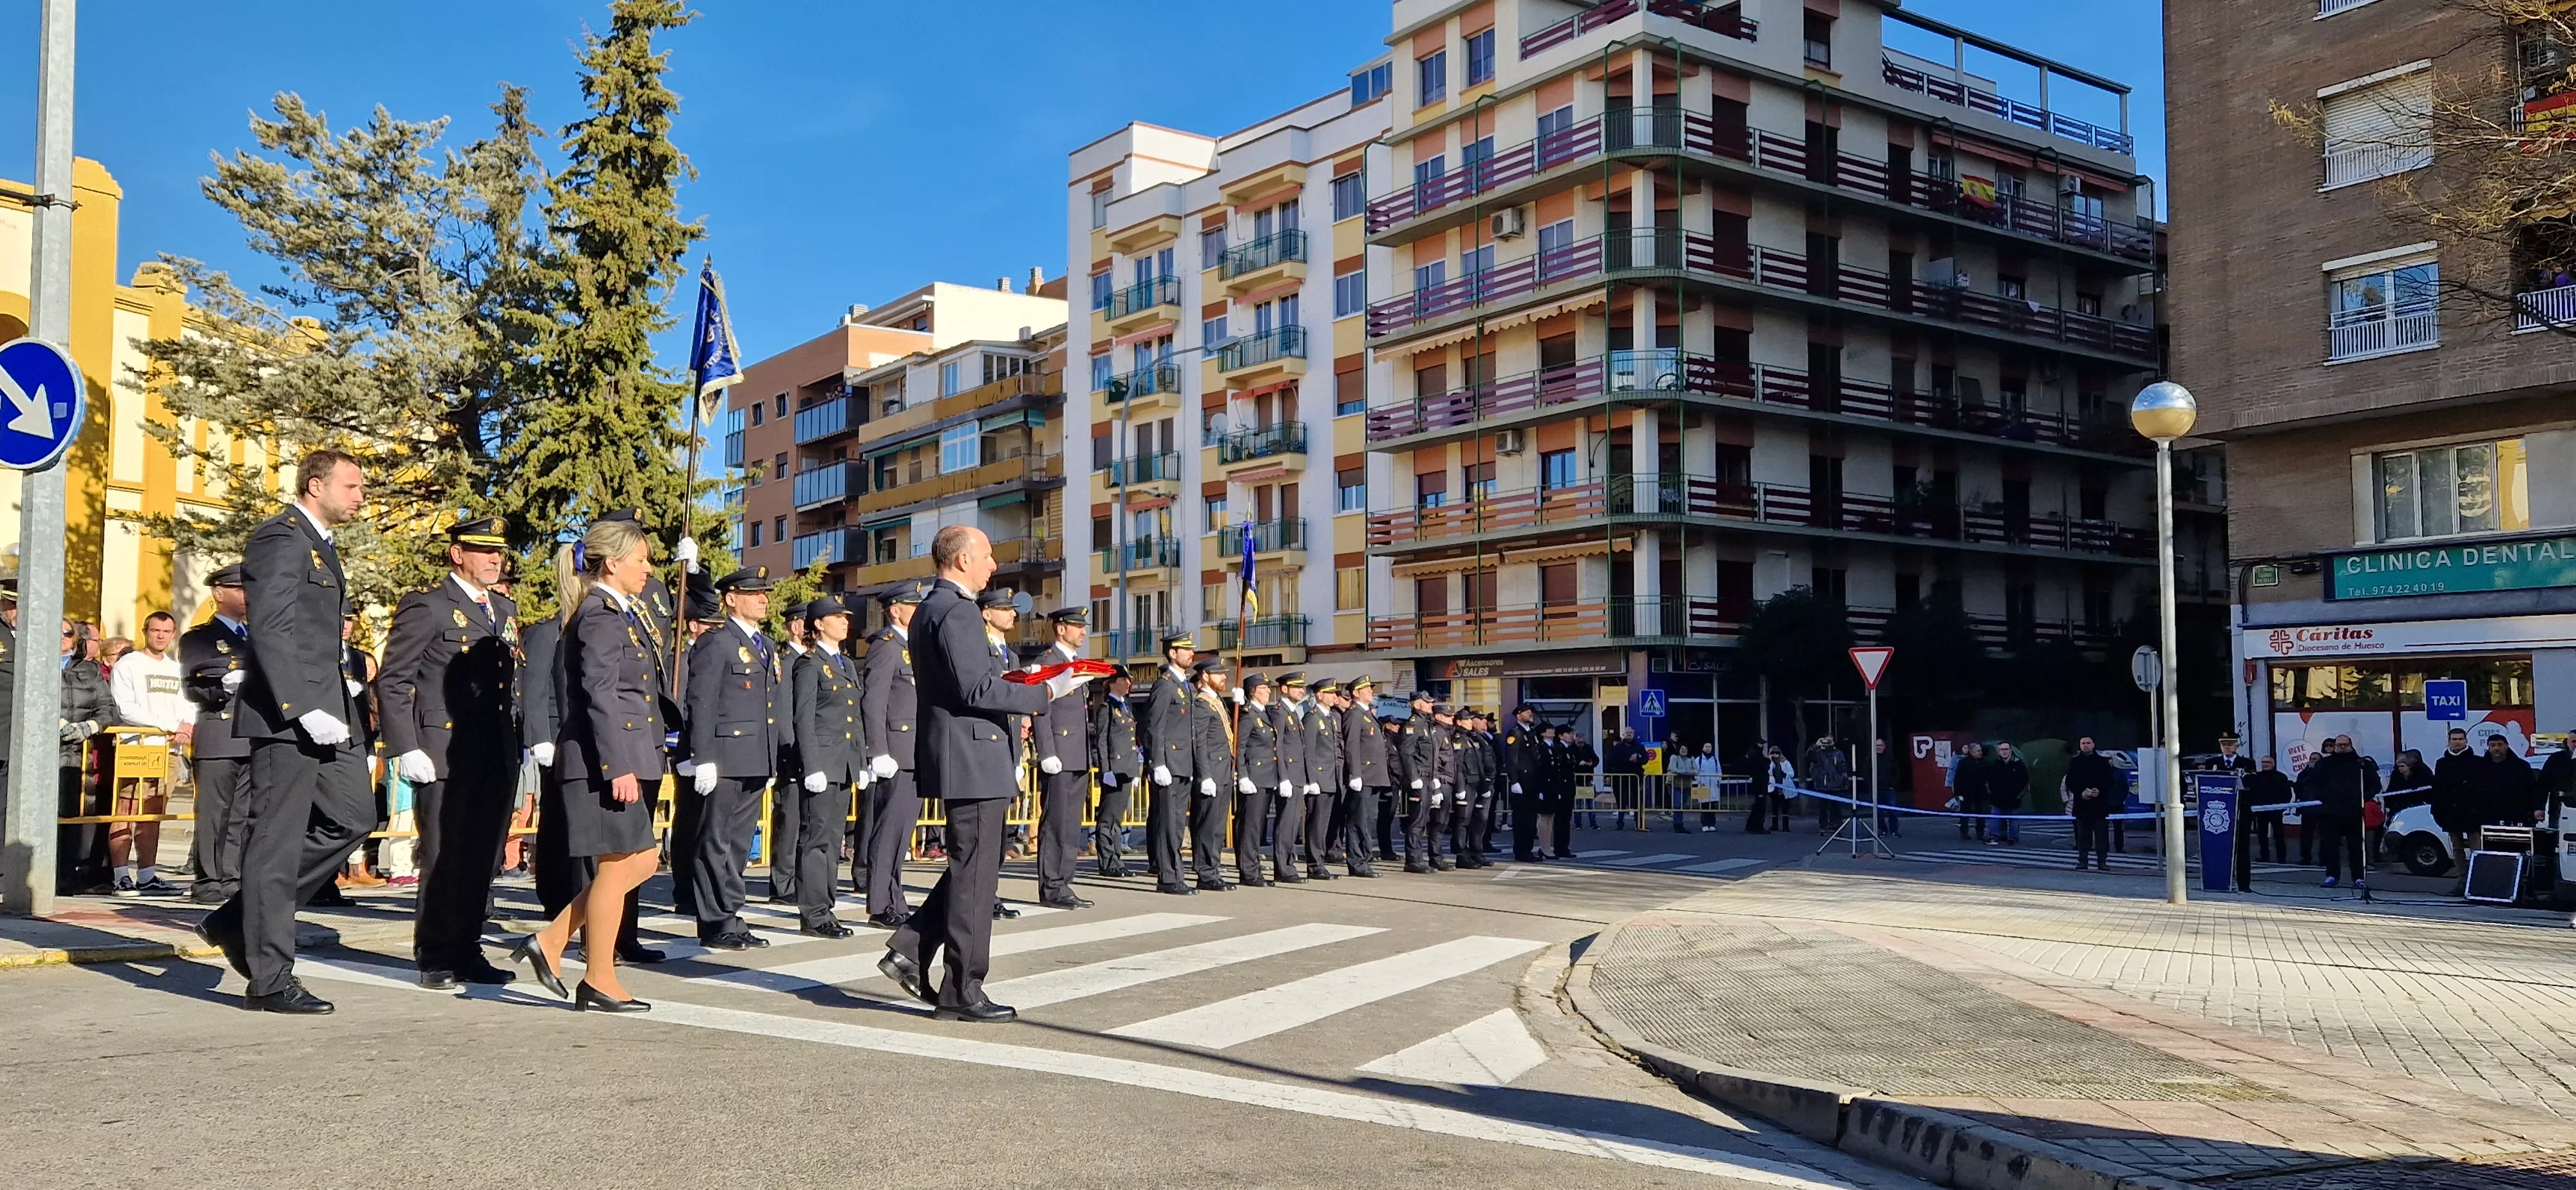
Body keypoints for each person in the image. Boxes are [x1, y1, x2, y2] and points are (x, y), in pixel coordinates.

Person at [875, 527, 1094, 1023]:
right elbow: (976, 689)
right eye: (988, 556)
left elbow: (971, 684)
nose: (994, 565)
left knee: (972, 866)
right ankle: (963, 989)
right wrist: (1049, 693)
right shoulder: (956, 611)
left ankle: (910, 947)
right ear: (962, 559)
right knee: (976, 875)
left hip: (969, 754)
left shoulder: (938, 607)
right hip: (972, 757)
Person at [193, 450, 372, 1014]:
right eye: (351, 486)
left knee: (355, 816)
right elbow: (269, 629)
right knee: (277, 841)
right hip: (287, 716)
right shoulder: (281, 537)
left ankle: (235, 917)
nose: (360, 497)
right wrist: (299, 706)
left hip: (329, 710)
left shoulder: (317, 542)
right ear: (315, 485)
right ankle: (270, 978)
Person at [511, 516, 675, 1012]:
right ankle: (599, 978)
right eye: (641, 560)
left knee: (641, 861)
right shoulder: (601, 615)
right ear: (613, 563)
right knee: (616, 866)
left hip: (629, 754)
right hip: (607, 760)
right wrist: (617, 765)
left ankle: (552, 941)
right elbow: (600, 695)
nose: (649, 569)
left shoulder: (625, 612)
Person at [379, 516, 522, 989]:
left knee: (482, 856)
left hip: (494, 752)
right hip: (441, 750)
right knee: (442, 857)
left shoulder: (502, 608)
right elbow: (395, 681)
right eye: (483, 551)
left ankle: (468, 948)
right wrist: (405, 746)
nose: (494, 559)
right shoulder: (430, 607)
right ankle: (437, 953)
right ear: (457, 554)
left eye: (498, 552)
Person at [677, 566, 786, 950]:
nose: (763, 598)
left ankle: (731, 914)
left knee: (739, 844)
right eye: (754, 593)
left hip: (755, 756)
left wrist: (772, 758)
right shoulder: (717, 642)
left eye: (765, 592)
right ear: (731, 599)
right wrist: (701, 755)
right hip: (723, 756)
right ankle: (713, 920)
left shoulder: (766, 645)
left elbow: (769, 705)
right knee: (714, 841)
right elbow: (701, 701)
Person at [788, 596, 862, 938]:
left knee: (833, 840)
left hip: (843, 764)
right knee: (816, 839)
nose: (845, 622)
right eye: (837, 617)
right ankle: (814, 914)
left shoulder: (845, 664)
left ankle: (826, 908)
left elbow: (854, 717)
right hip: (822, 765)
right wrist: (812, 765)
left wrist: (860, 761)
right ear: (818, 624)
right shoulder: (809, 664)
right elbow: (803, 718)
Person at [180, 567, 252, 904]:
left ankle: (233, 876)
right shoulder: (199, 638)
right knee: (214, 812)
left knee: (242, 812)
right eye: (239, 588)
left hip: (253, 734)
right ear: (219, 593)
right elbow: (194, 685)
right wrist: (222, 685)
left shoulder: (257, 636)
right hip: (220, 730)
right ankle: (209, 878)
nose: (247, 595)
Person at [103, 609, 187, 897]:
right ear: (145, 632)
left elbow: (189, 705)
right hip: (136, 747)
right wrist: (169, 725)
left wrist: (186, 726)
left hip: (169, 752)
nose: (161, 636)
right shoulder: (129, 665)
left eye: (167, 632)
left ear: (173, 635)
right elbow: (126, 709)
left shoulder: (177, 668)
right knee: (125, 811)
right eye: (155, 631)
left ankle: (148, 875)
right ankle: (120, 876)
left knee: (153, 813)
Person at [858, 580, 925, 929]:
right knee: (887, 832)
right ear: (895, 610)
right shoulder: (886, 647)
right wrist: (877, 751)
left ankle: (894, 897)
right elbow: (873, 701)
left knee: (902, 833)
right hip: (896, 751)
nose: (918, 611)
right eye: (911, 606)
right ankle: (880, 903)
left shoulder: (913, 646)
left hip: (915, 751)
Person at [1030, 607, 1095, 909]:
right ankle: (1052, 886)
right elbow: (1041, 709)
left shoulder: (1077, 664)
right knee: (1055, 823)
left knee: (1071, 824)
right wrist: (1047, 751)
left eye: (1084, 627)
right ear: (1060, 629)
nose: (1083, 631)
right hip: (1059, 753)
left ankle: (1064, 883)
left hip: (1077, 754)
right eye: (1076, 626)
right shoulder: (1048, 662)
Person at [1137, 630, 1198, 896]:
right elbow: (1155, 727)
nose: (1191, 654)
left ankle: (1176, 873)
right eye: (1186, 650)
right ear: (1173, 654)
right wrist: (1157, 763)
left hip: (1183, 763)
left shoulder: (1185, 685)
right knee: (1167, 823)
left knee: (1176, 823)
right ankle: (1168, 876)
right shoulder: (1165, 685)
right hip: (1169, 764)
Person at [765, 605, 813, 907]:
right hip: (792, 753)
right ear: (795, 627)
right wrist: (791, 752)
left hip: (811, 754)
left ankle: (798, 879)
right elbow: (784, 713)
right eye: (808, 625)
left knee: (806, 821)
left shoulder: (812, 661)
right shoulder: (786, 662)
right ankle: (782, 884)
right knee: (789, 820)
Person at [1187, 657, 1238, 892]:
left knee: (1218, 826)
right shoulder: (1201, 704)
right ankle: (1205, 872)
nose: (1224, 677)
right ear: (1205, 677)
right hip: (1212, 773)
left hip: (1224, 772)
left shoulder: (1217, 702)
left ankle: (1213, 869)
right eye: (1218, 674)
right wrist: (1205, 775)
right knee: (1207, 825)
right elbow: (1200, 744)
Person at [1088, 668, 1140, 878]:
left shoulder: (1125, 707)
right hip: (1114, 770)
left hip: (1126, 769)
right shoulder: (1106, 708)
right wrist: (1106, 770)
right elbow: (1102, 741)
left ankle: (1116, 860)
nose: (1128, 684)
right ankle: (1108, 862)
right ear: (1112, 683)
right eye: (1123, 680)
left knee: (1117, 819)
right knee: (1108, 818)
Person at [1235, 672, 1283, 887]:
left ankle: (1253, 867)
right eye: (1263, 689)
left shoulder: (1264, 714)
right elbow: (1240, 747)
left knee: (1258, 827)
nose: (1267, 692)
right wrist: (1243, 776)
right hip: (1254, 778)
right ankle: (1249, 872)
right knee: (1250, 827)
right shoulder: (1248, 715)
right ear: (1253, 692)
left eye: (1268, 688)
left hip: (1266, 777)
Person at [2306, 736, 2371, 889]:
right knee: (2331, 845)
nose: (2342, 747)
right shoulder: (2324, 764)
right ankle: (2332, 875)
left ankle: (2358, 878)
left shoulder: (2361, 764)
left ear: (2351, 745)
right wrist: (2322, 797)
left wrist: (2362, 797)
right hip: (2329, 812)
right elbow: (2312, 783)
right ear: (2334, 746)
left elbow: (2373, 783)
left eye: (2345, 745)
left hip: (2353, 812)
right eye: (2339, 745)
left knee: (2356, 847)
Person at [1338, 677, 1388, 876]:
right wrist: (1355, 774)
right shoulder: (1354, 714)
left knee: (1367, 820)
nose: (1370, 691)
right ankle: (1357, 862)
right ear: (1356, 693)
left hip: (1373, 776)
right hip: (1363, 776)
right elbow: (1351, 746)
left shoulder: (1366, 714)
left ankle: (1364, 859)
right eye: (1366, 689)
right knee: (1358, 820)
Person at [1269, 673, 1312, 884]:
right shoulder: (1280, 712)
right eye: (1296, 687)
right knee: (1286, 824)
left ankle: (1289, 864)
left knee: (1293, 823)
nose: (1301, 690)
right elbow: (1278, 747)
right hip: (1288, 777)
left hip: (1297, 777)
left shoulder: (1293, 712)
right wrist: (1283, 777)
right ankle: (1283, 868)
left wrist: (1304, 778)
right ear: (1284, 689)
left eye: (1302, 687)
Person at [1397, 692, 1446, 872]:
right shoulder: (1414, 724)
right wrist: (1413, 777)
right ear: (1417, 705)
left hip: (1427, 778)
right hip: (1418, 779)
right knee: (1416, 821)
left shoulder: (1427, 724)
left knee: (1423, 819)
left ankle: (1418, 857)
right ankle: (1413, 860)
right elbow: (1406, 752)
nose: (1430, 705)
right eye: (1427, 703)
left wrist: (1434, 779)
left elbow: (1431, 756)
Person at [1305, 680, 1348, 879]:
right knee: (1316, 824)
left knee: (1324, 824)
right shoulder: (1313, 718)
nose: (1335, 696)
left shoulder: (1329, 717)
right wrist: (1311, 779)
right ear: (1319, 695)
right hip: (1319, 779)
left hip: (1330, 778)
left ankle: (1320, 861)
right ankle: (1314, 864)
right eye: (1330, 693)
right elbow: (1309, 752)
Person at [2065, 736, 2119, 871]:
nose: (2086, 746)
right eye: (2083, 743)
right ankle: (2083, 861)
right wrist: (2080, 792)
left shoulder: (2102, 762)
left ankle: (2102, 861)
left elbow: (2109, 781)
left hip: (2099, 805)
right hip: (2081, 805)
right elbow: (2070, 782)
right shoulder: (2075, 762)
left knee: (2101, 835)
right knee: (2083, 835)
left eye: (2088, 743)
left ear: (2093, 745)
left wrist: (2099, 791)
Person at [1503, 704, 1548, 856]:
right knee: (1522, 819)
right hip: (1522, 783)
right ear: (1519, 715)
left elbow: (1537, 760)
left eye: (1531, 713)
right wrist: (1514, 781)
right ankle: (1522, 851)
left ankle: (1528, 850)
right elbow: (1512, 759)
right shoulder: (1515, 733)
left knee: (1531, 819)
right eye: (1527, 713)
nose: (1531, 715)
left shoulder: (1532, 733)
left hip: (1533, 782)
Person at [2431, 727, 2481, 860]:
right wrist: (2437, 811)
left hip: (2473, 812)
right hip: (2451, 813)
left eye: (2460, 739)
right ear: (2449, 741)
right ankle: (2461, 876)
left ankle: (2476, 875)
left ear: (2466, 740)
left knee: (2477, 847)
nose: (2458, 742)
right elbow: (2437, 789)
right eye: (2454, 739)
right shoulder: (2442, 763)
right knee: (2457, 847)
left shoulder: (2477, 762)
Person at [2380, 749, 2432, 861]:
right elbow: (2391, 791)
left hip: (2418, 808)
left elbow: (2428, 792)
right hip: (2399, 808)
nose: (2400, 769)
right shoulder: (2396, 775)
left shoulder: (2423, 773)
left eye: (2403, 766)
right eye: (2399, 766)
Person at [2243, 755, 2292, 865]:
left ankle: (2282, 858)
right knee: (2262, 835)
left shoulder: (2281, 777)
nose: (2265, 764)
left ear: (2273, 764)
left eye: (2268, 762)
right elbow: (2252, 793)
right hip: (2261, 812)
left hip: (2276, 811)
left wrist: (2282, 808)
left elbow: (2287, 794)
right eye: (2263, 762)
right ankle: (2264, 856)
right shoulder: (2257, 777)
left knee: (2279, 835)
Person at [1803, 735, 1851, 834]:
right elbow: (1808, 757)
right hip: (1822, 785)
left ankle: (1836, 825)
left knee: (1836, 807)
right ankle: (1824, 826)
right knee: (1823, 808)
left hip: (1836, 785)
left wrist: (1844, 782)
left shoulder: (1838, 753)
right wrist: (1816, 745)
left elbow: (1843, 768)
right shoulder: (1818, 753)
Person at [1985, 741, 2029, 845]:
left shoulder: (2019, 765)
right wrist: (1990, 792)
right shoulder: (1994, 764)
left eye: (2006, 749)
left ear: (2010, 751)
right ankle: (1994, 836)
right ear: (1999, 751)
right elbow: (1988, 781)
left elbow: (2025, 781)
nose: (2004, 752)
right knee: (1995, 819)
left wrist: (2019, 795)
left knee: (2013, 820)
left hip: (2013, 799)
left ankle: (2013, 838)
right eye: (2001, 750)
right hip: (1997, 798)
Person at [1951, 741, 1988, 842]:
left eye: (1981, 751)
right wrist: (1958, 794)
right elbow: (1957, 778)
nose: (1980, 753)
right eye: (1978, 751)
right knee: (1965, 814)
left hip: (1980, 793)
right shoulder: (1963, 762)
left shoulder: (1984, 762)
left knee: (1981, 814)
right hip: (1966, 793)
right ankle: (1964, 833)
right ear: (1971, 752)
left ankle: (1980, 833)